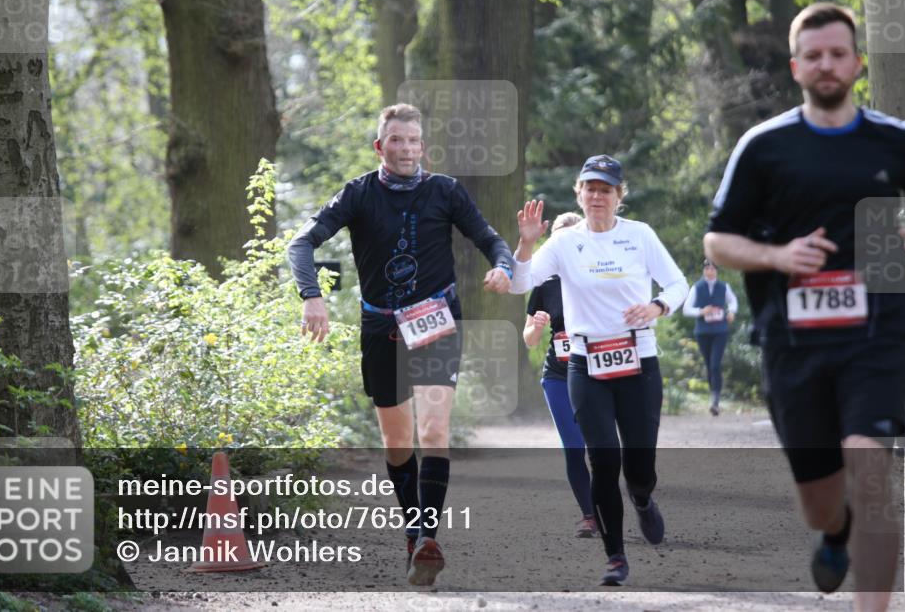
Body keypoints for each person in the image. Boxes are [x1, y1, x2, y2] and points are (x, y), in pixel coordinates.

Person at [704, 3, 905, 611]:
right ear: (797, 66)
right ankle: (834, 531)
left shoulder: (899, 142)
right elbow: (717, 241)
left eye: (838, 54)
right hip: (793, 342)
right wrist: (778, 257)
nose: (827, 65)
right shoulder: (765, 146)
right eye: (815, 56)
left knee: (871, 466)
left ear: (858, 63)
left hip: (877, 332)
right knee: (822, 501)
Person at [287, 103, 514, 586]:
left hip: (435, 318)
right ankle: (414, 534)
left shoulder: (445, 191)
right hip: (381, 328)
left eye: (414, 141)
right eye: (397, 141)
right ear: (380, 146)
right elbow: (301, 244)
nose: (407, 149)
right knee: (396, 443)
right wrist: (312, 297)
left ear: (422, 147)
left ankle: (428, 535)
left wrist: (503, 267)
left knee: (433, 430)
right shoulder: (357, 194)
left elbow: (491, 240)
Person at [511, 155, 688, 585]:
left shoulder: (639, 236)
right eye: (589, 188)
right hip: (585, 363)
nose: (596, 196)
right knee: (603, 459)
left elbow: (679, 284)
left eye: (605, 189)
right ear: (578, 192)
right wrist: (527, 244)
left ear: (618, 196)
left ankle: (643, 499)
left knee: (639, 465)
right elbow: (520, 283)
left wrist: (657, 306)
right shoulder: (565, 242)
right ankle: (615, 558)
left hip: (638, 359)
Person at [522, 211, 597, 538]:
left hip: (597, 372)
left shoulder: (599, 275)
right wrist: (536, 327)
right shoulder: (544, 283)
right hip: (558, 374)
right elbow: (528, 338)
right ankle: (589, 515)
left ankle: (625, 499)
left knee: (601, 446)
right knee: (573, 447)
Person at [681, 259, 738, 416]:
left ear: (716, 271)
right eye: (707, 268)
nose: (710, 271)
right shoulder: (697, 287)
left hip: (720, 330)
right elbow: (686, 309)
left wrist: (732, 311)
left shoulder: (724, 286)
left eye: (713, 268)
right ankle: (713, 396)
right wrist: (701, 311)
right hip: (703, 331)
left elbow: (733, 301)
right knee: (708, 364)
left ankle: (715, 400)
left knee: (715, 364)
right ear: (704, 270)